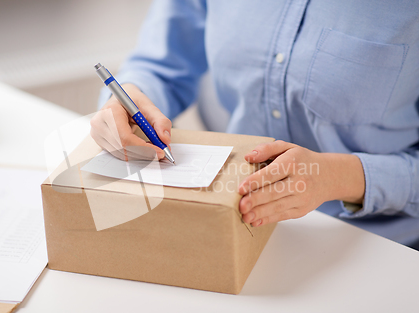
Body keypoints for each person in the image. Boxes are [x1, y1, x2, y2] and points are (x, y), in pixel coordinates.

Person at [91, 0, 419, 249]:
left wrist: (335, 177)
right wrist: (133, 95)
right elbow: (161, 62)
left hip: (376, 246)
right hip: (237, 224)